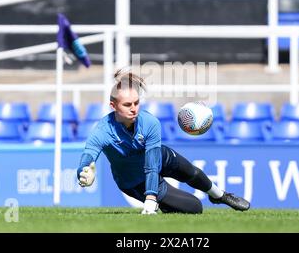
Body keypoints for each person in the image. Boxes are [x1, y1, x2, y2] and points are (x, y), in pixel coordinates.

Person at [77, 69, 250, 214]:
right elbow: (88, 156)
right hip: (134, 180)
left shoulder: (150, 123)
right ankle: (167, 205)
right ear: (113, 106)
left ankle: (220, 195)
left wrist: (151, 199)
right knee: (195, 207)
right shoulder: (101, 131)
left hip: (158, 158)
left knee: (193, 173)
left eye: (136, 103)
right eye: (127, 104)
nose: (134, 109)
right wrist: (83, 173)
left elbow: (152, 165)